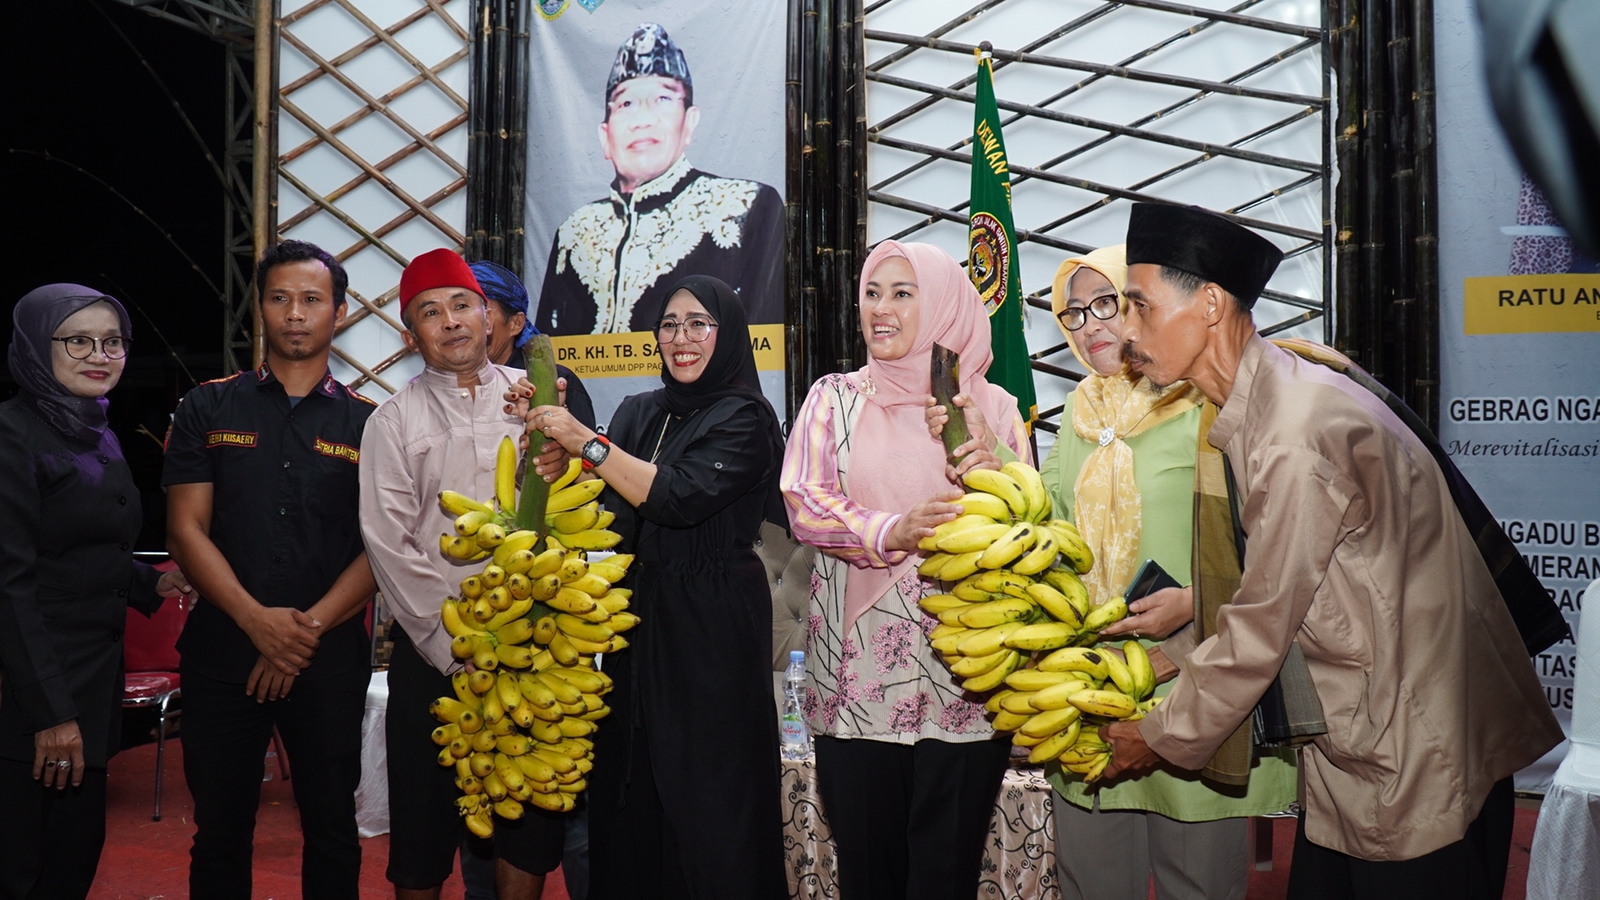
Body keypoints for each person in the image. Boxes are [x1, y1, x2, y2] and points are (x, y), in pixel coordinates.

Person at [1100, 203, 1563, 899]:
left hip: (1413, 746)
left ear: (1211, 305)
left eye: (1139, 306)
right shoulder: (1272, 396)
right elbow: (1288, 588)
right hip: (1372, 730)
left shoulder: (1294, 432)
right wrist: (1181, 650)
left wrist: (1159, 734)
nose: (1124, 332)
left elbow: (1263, 621)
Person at [933, 246, 1297, 900]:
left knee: (1199, 884)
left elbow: (1277, 547)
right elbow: (1049, 522)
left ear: (1142, 309)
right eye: (1073, 312)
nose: (1089, 325)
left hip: (1194, 680)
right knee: (1092, 884)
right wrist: (985, 453)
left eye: (1107, 304)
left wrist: (1192, 600)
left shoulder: (1205, 403)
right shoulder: (1079, 412)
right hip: (1091, 682)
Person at [522, 275, 787, 899]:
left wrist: (583, 440)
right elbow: (609, 516)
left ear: (728, 335)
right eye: (669, 324)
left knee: (713, 805)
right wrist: (558, 459)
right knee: (628, 795)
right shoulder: (638, 412)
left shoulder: (747, 416)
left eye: (700, 323)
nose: (682, 338)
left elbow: (676, 497)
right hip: (631, 619)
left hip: (712, 623)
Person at [780, 241, 1027, 900]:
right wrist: (892, 530)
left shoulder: (994, 408)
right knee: (871, 875)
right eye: (872, 292)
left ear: (944, 302)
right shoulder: (834, 400)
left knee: (945, 879)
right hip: (856, 683)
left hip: (965, 686)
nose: (880, 309)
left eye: (902, 293)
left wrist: (986, 455)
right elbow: (804, 500)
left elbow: (1028, 524)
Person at [163, 240, 379, 900]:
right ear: (260, 309)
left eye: (312, 300)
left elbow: (381, 548)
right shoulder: (208, 407)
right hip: (224, 653)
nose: (295, 313)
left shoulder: (372, 423)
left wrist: (298, 635)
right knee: (220, 832)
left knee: (333, 831)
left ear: (338, 313)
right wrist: (258, 623)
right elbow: (185, 530)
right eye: (280, 298)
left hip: (329, 657)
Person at [359, 249, 567, 900]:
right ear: (409, 335)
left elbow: (572, 509)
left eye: (461, 306)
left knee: (527, 827)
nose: (449, 322)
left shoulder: (537, 397)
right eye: (429, 312)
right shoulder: (392, 421)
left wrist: (562, 457)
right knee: (422, 833)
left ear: (489, 317)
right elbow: (388, 544)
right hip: (436, 654)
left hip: (535, 647)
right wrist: (455, 649)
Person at [0, 284, 194, 900]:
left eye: (113, 341)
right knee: (22, 870)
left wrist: (155, 580)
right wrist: (49, 713)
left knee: (72, 861)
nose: (99, 354)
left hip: (92, 683)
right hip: (34, 697)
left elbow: (83, 552)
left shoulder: (93, 428)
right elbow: (10, 586)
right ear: (37, 345)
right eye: (77, 339)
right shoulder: (12, 437)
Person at [467, 257, 593, 900]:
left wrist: (541, 417)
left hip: (546, 624)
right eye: (447, 304)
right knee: (479, 789)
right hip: (476, 630)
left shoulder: (553, 385)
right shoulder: (427, 398)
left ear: (515, 321)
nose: (462, 317)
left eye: (476, 304)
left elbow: (579, 492)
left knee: (550, 800)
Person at [534, 23, 785, 335]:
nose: (642, 120)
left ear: (690, 121)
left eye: (663, 100)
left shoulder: (746, 209)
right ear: (605, 136)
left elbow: (765, 348)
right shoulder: (575, 233)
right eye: (626, 104)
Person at [473, 258, 597, 432]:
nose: (470, 326)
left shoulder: (556, 383)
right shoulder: (441, 387)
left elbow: (585, 453)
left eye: (483, 314)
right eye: (463, 309)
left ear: (516, 323)